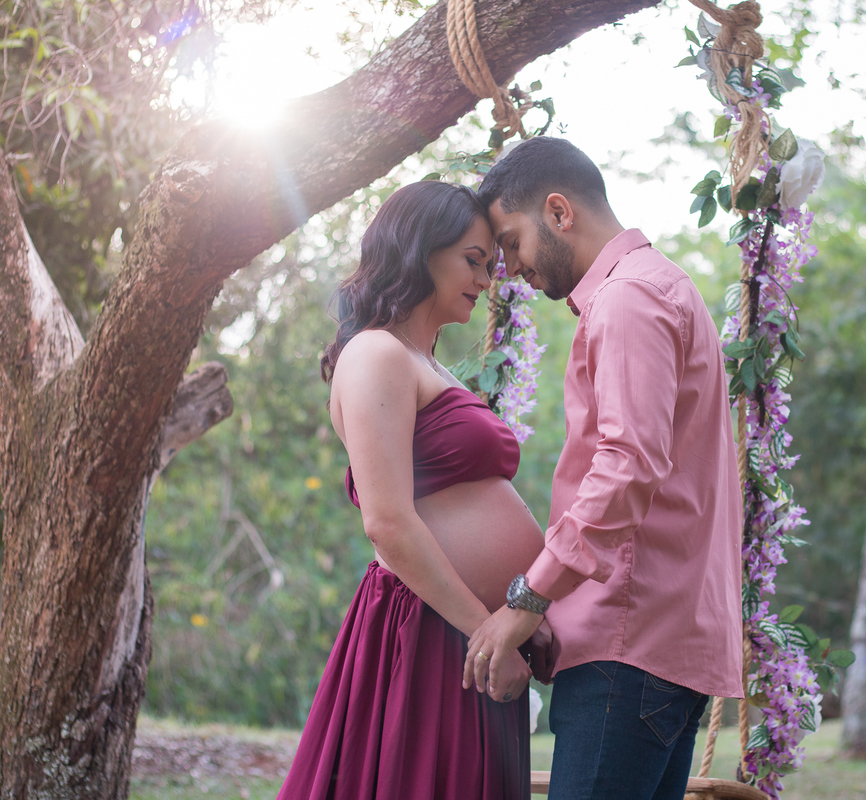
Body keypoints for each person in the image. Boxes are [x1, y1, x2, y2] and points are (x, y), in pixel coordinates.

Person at [464, 137, 744, 800]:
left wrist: (529, 599)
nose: (510, 269)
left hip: (628, 647)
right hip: (661, 644)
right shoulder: (663, 286)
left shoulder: (627, 300)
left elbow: (627, 466)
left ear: (559, 212)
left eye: (511, 243)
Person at [277, 181, 545, 800]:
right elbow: (388, 523)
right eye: (472, 260)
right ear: (419, 251)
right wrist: (489, 635)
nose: (485, 279)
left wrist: (519, 621)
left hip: (469, 634)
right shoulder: (376, 354)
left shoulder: (429, 364)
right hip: (429, 628)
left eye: (490, 264)